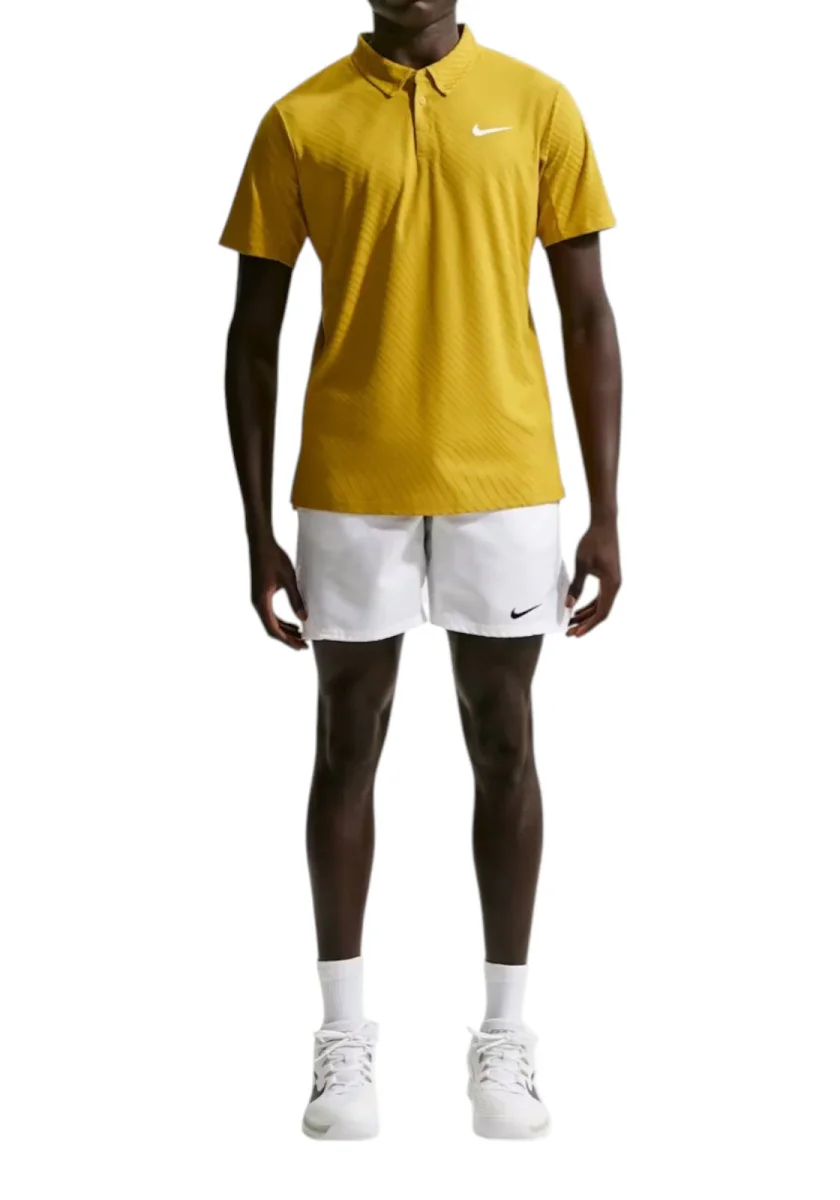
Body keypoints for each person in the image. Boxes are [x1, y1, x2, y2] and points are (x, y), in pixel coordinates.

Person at [221, 0, 621, 1141]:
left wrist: (608, 512)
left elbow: (588, 316)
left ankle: (507, 1039)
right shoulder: (300, 119)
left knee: (507, 741)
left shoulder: (537, 104)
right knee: (347, 742)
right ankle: (342, 1040)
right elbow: (251, 336)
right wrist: (254, 527)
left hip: (507, 476)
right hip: (351, 482)